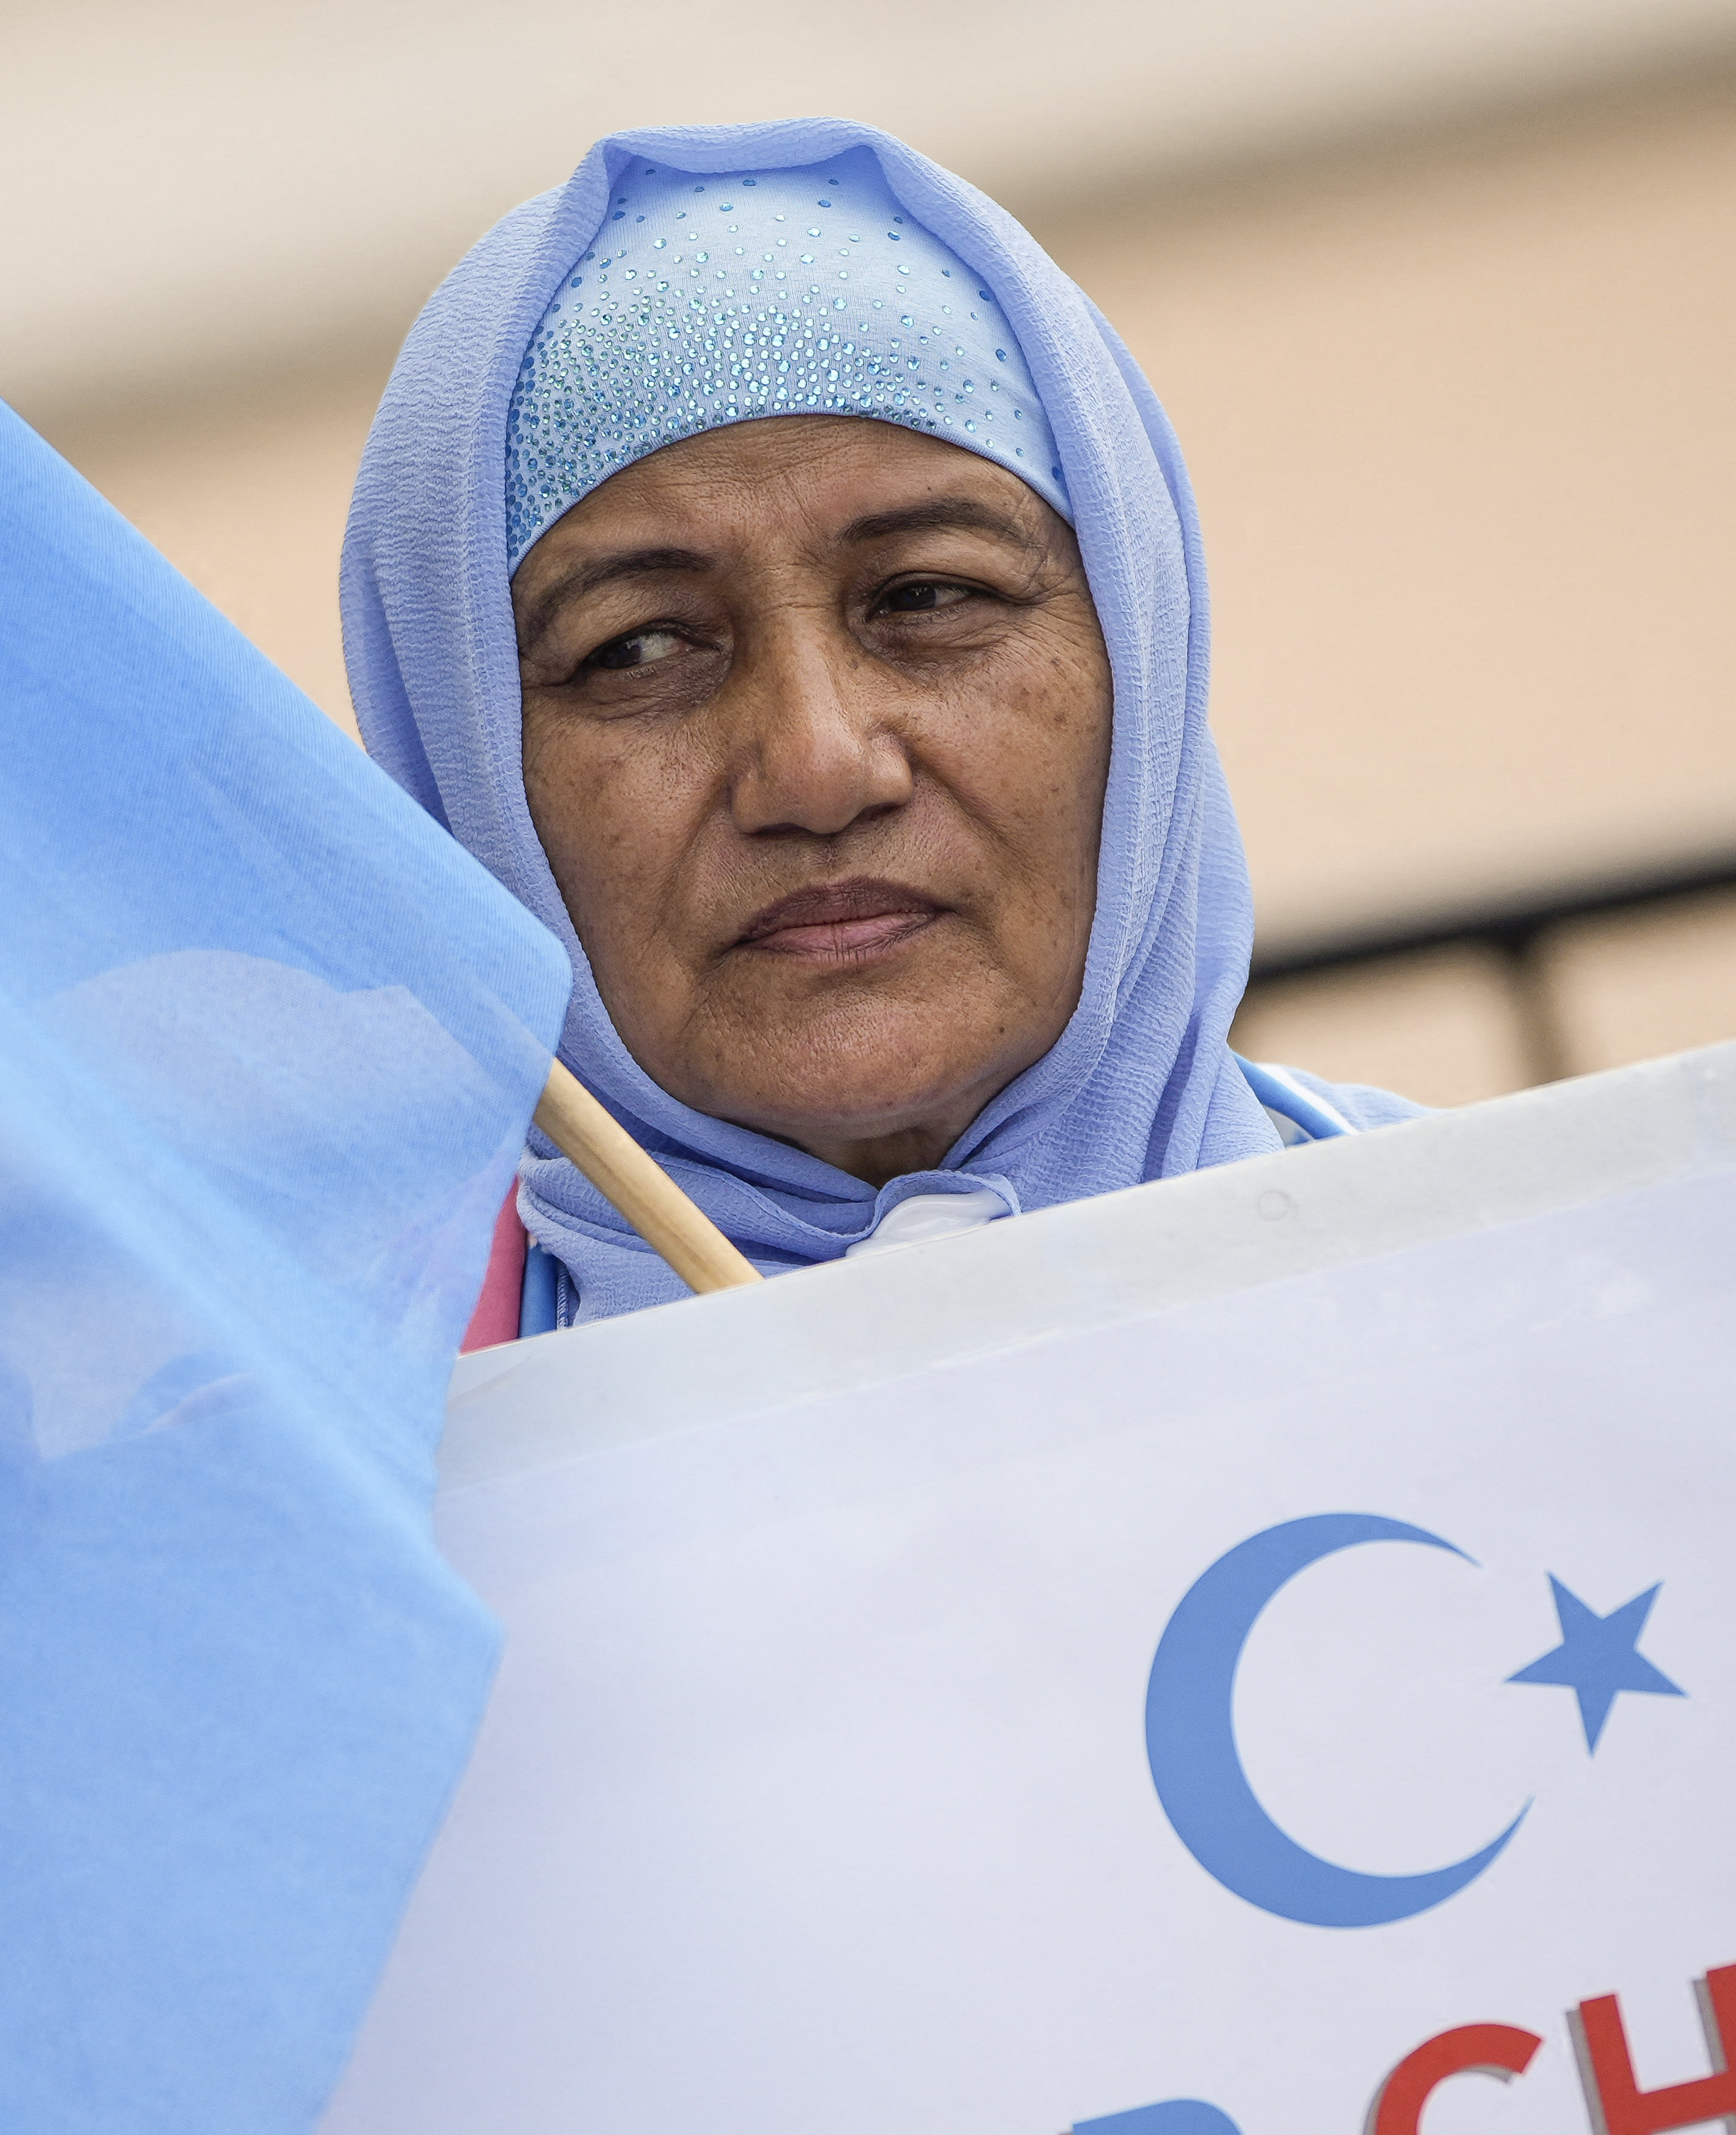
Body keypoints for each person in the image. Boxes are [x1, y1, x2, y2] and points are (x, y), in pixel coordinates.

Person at [345, 125, 1413, 1338]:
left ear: (1140, 658)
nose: (816, 766)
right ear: (467, 783)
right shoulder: (333, 1476)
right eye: (637, 646)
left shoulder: (1554, 1290)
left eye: (927, 597)